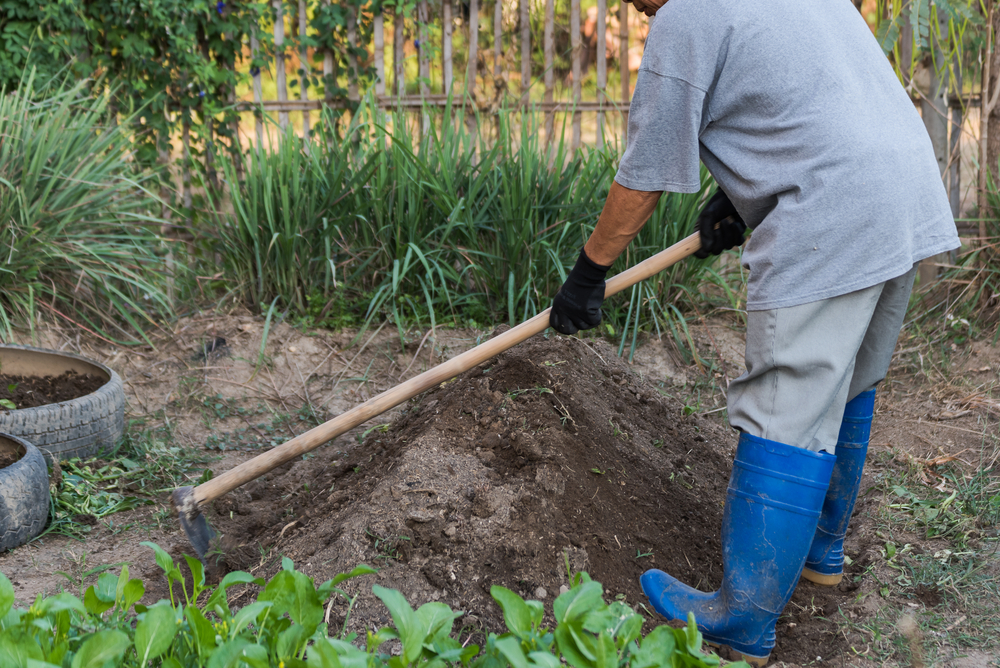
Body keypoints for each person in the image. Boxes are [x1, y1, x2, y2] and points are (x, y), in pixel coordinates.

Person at [547, 0, 960, 665]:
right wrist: (740, 193)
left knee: (784, 403)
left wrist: (588, 272)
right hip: (903, 192)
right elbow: (807, 99)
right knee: (849, 379)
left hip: (833, 209)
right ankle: (822, 554)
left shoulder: (684, 17)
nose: (634, 9)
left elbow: (645, 172)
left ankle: (741, 617)